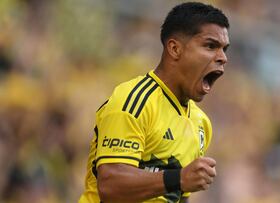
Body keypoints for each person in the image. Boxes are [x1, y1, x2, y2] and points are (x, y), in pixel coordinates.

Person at [79, 2, 230, 203]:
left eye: (224, 49)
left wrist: (180, 182)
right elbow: (110, 185)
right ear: (175, 49)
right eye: (210, 46)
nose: (223, 58)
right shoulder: (133, 101)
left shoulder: (201, 123)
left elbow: (177, 195)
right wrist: (179, 178)